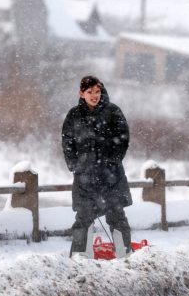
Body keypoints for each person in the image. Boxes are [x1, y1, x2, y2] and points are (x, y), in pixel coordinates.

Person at [62, 75, 132, 257]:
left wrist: (111, 161)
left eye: (97, 91)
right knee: (83, 219)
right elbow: (67, 143)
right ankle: (80, 260)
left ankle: (125, 258)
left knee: (117, 217)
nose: (94, 95)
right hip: (84, 178)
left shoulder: (113, 112)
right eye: (90, 92)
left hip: (111, 177)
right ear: (81, 93)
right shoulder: (73, 115)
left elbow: (123, 140)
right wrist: (75, 165)